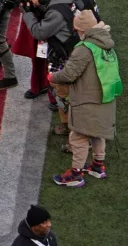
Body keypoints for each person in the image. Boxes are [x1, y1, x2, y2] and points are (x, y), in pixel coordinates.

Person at [51, 11, 120, 187]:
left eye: (76, 29)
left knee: (78, 136)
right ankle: (98, 166)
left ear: (83, 29)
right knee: (97, 133)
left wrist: (52, 77)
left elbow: (69, 74)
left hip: (87, 100)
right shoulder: (107, 44)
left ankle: (75, 174)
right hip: (106, 97)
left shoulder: (84, 48)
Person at [2, 0, 63, 99]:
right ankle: (37, 87)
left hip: (50, 19)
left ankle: (52, 96)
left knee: (51, 57)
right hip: (32, 16)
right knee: (36, 56)